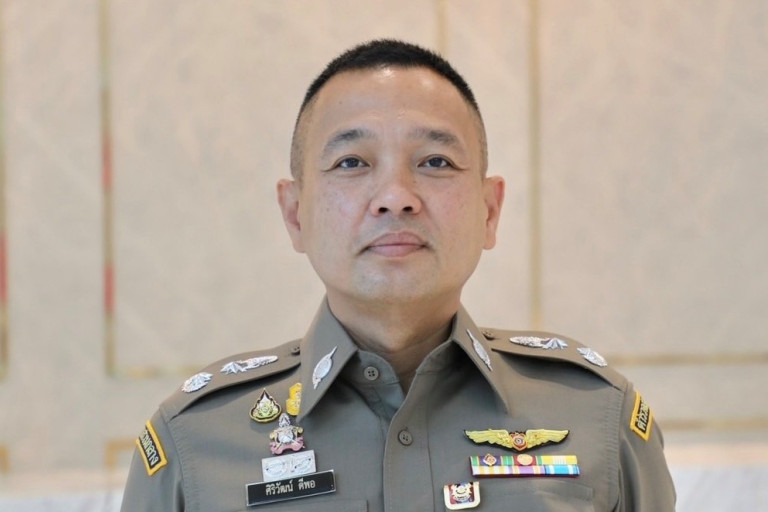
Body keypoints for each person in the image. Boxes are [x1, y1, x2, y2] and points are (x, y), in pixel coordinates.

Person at [121, 39, 675, 511]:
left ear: (489, 210)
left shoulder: (599, 418)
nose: (395, 197)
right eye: (352, 162)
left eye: (435, 162)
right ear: (295, 214)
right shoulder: (193, 444)